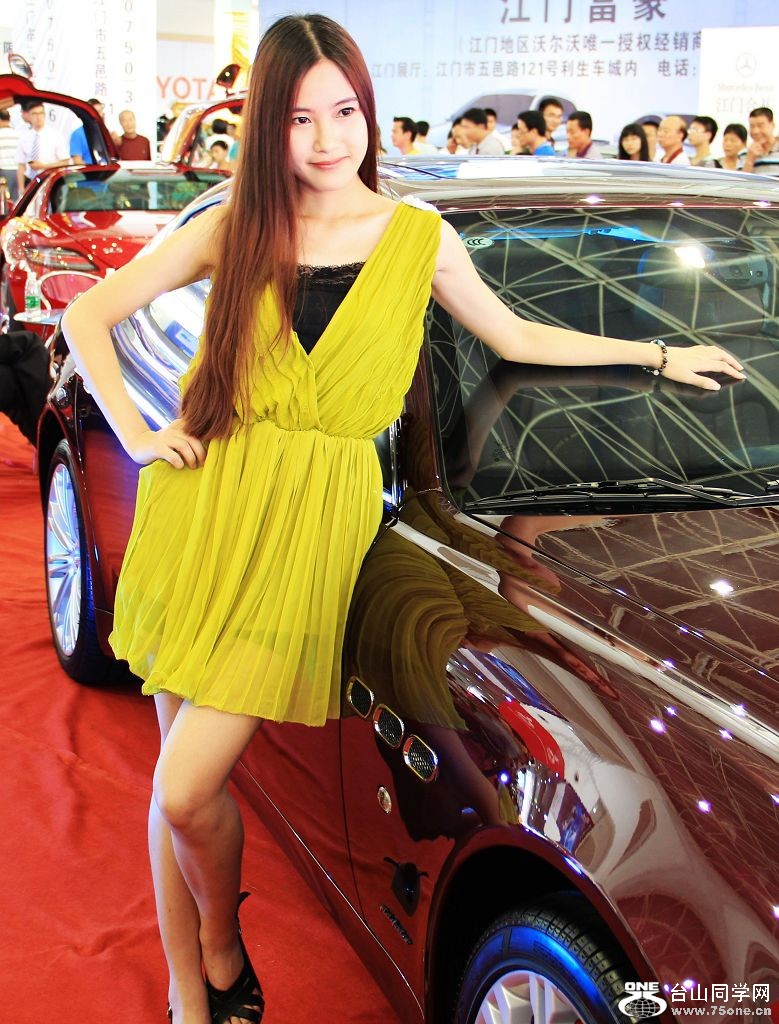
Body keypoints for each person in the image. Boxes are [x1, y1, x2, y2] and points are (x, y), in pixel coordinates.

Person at [59, 14, 745, 1024]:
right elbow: (87, 314)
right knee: (177, 780)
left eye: (344, 112)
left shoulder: (415, 237)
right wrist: (138, 430)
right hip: (203, 510)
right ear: (267, 126)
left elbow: (512, 334)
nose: (327, 138)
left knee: (183, 789)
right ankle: (189, 991)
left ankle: (219, 945)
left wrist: (655, 355)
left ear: (368, 113)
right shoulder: (233, 226)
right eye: (300, 118)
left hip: (310, 529)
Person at [16, 101, 73, 196]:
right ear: (29, 116)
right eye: (34, 114)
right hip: (31, 182)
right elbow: (21, 165)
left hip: (51, 180)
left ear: (45, 115)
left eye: (41, 113)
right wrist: (21, 189)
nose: (38, 117)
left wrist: (43, 166)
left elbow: (65, 162)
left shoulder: (55, 135)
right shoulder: (24, 137)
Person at [70, 97, 106, 165]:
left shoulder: (106, 133)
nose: (100, 115)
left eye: (101, 111)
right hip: (91, 170)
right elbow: (77, 162)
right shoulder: (78, 134)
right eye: (96, 112)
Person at [742, 106, 779, 173]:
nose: (755, 131)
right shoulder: (744, 154)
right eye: (752, 126)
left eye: (760, 126)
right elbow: (739, 179)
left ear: (772, 125)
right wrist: (749, 160)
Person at [0, 109, 20, 204]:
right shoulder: (18, 134)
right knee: (16, 202)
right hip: (19, 172)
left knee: (5, 202)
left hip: (4, 171)